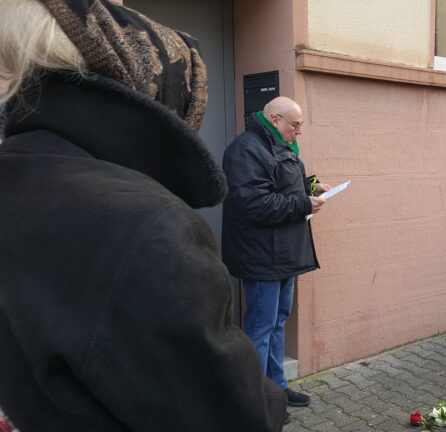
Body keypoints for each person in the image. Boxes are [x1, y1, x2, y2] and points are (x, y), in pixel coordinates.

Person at [0, 0, 287, 430]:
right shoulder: (147, 223)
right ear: (165, 94)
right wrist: (270, 401)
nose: (298, 132)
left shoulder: (23, 178)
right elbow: (226, 413)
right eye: (294, 124)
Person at [222, 96, 329, 408]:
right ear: (275, 118)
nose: (298, 132)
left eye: (300, 125)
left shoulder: (277, 145)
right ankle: (256, 402)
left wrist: (311, 187)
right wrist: (302, 204)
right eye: (294, 125)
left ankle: (277, 389)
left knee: (278, 320)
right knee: (260, 327)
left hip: (283, 253)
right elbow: (251, 202)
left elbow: (280, 186)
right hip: (262, 256)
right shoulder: (247, 148)